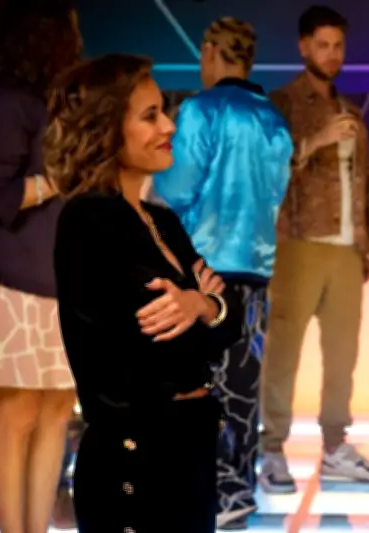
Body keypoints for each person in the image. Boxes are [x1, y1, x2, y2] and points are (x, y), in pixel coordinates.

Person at [48, 54, 244, 533]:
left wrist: (201, 305)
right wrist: (209, 314)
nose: (169, 126)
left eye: (164, 112)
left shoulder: (164, 222)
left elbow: (233, 319)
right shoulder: (89, 221)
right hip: (133, 464)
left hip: (188, 451)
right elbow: (149, 348)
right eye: (150, 115)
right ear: (107, 129)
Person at [152, 16, 293, 529]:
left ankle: (199, 490)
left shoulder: (201, 110)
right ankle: (236, 488)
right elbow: (277, 193)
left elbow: (174, 189)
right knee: (241, 384)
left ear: (211, 51)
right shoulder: (274, 120)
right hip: (255, 270)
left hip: (202, 272)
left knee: (196, 383)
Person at [259, 5, 369, 492]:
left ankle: (335, 445)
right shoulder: (281, 104)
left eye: (338, 46)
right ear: (303, 46)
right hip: (298, 243)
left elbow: (366, 182)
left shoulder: (352, 111)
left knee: (342, 355)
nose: (332, 54)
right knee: (283, 351)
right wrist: (316, 139)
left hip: (346, 249)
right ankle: (271, 449)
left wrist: (368, 246)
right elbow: (268, 171)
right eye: (323, 45)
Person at [0, 3, 81, 531]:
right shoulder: (8, 102)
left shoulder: (62, 101)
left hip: (66, 278)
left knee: (57, 410)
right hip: (16, 283)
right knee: (18, 413)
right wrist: (59, 177)